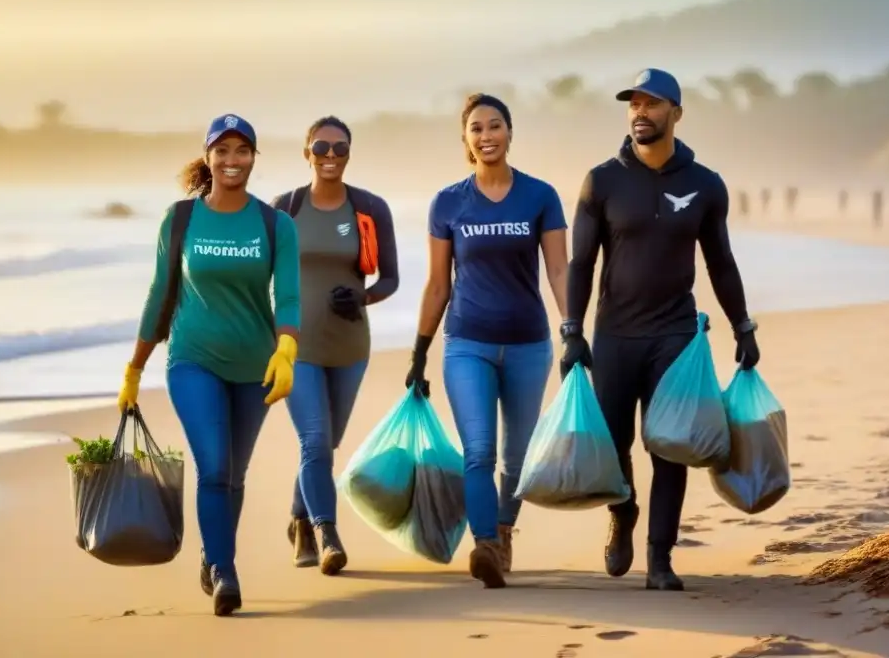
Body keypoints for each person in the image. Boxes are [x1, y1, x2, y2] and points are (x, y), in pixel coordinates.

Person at [559, 69, 760, 592]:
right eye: (634, 104)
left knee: (671, 445)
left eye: (652, 104)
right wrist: (571, 330)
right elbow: (581, 263)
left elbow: (721, 262)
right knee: (613, 443)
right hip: (616, 334)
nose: (640, 112)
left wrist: (742, 324)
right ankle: (623, 513)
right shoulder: (601, 180)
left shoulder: (705, 185)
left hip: (675, 335)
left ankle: (660, 557)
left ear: (677, 112)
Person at [116, 113, 301, 617]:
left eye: (242, 151)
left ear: (254, 159)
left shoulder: (274, 223)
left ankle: (213, 554)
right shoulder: (180, 219)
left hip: (256, 366)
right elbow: (160, 296)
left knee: (234, 474)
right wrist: (135, 368)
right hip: (193, 360)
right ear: (208, 156)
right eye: (222, 150)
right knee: (214, 465)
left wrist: (287, 349)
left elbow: (287, 296)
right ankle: (224, 570)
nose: (232, 160)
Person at [405, 93, 570, 589]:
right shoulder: (449, 202)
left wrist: (574, 330)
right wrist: (419, 349)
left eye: (495, 125)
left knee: (516, 458)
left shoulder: (540, 196)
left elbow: (559, 270)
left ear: (510, 133)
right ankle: (484, 546)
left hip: (528, 344)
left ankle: (502, 534)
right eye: (476, 128)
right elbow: (438, 284)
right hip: (467, 343)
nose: (486, 135)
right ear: (466, 139)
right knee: (478, 452)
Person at [271, 116, 399, 575]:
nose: (330, 156)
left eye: (339, 149)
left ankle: (299, 520)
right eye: (321, 147)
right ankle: (327, 533)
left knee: (327, 445)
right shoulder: (284, 208)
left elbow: (391, 278)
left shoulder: (369, 208)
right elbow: (258, 279)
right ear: (306, 151)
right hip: (295, 346)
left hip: (349, 345)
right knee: (316, 440)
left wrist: (363, 296)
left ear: (349, 153)